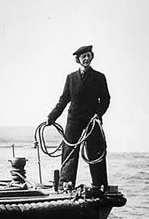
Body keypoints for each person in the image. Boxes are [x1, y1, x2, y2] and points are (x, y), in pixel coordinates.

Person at [47, 45, 110, 190]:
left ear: (91, 57)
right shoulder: (71, 78)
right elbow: (63, 100)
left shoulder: (99, 77)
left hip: (92, 120)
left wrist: (98, 114)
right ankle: (66, 184)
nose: (86, 59)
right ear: (78, 60)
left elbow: (106, 99)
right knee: (69, 150)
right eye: (84, 57)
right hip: (74, 119)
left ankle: (99, 184)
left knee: (96, 151)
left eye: (89, 56)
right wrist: (52, 117)